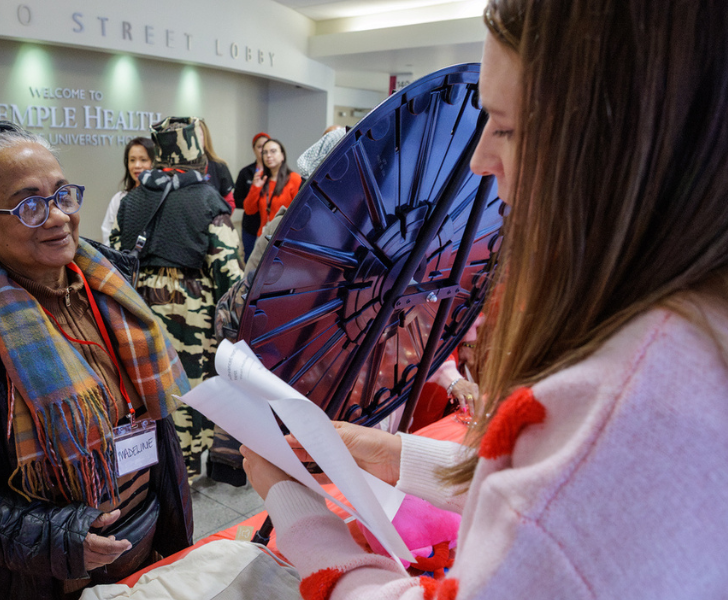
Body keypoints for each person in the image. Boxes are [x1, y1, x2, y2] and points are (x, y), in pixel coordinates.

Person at [241, 0, 728, 597]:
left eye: (505, 127)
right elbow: (562, 513)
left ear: (613, 147)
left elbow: (560, 511)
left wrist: (299, 512)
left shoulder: (629, 400)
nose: (478, 161)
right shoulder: (693, 334)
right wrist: (392, 453)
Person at [0, 120, 193, 599]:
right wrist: (47, 537)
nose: (58, 216)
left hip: (145, 541)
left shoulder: (111, 282)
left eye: (63, 195)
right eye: (29, 205)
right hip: (33, 576)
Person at [110, 116, 243, 480]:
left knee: (152, 381)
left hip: (140, 305)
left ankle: (158, 459)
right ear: (197, 154)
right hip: (193, 310)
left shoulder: (132, 200)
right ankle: (187, 461)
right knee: (190, 386)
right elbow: (230, 275)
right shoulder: (207, 200)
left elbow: (116, 256)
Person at [101, 137, 154, 246]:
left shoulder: (163, 198)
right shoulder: (119, 199)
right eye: (132, 160)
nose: (137, 166)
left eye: (143, 160)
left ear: (154, 162)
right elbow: (108, 236)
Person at [243, 138, 302, 237]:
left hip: (285, 238)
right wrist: (255, 188)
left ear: (282, 155)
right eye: (265, 152)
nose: (268, 155)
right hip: (263, 236)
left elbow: (300, 214)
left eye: (273, 151)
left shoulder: (294, 179)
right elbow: (249, 210)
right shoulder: (261, 178)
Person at [235, 132, 270, 260]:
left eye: (266, 147)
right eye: (260, 147)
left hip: (271, 224)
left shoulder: (277, 172)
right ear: (254, 149)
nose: (263, 150)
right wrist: (253, 200)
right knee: (250, 260)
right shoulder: (245, 173)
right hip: (251, 225)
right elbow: (236, 200)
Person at [199, 119, 235, 210]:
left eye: (198, 134)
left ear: (205, 138)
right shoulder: (176, 170)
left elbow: (229, 203)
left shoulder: (220, 166)